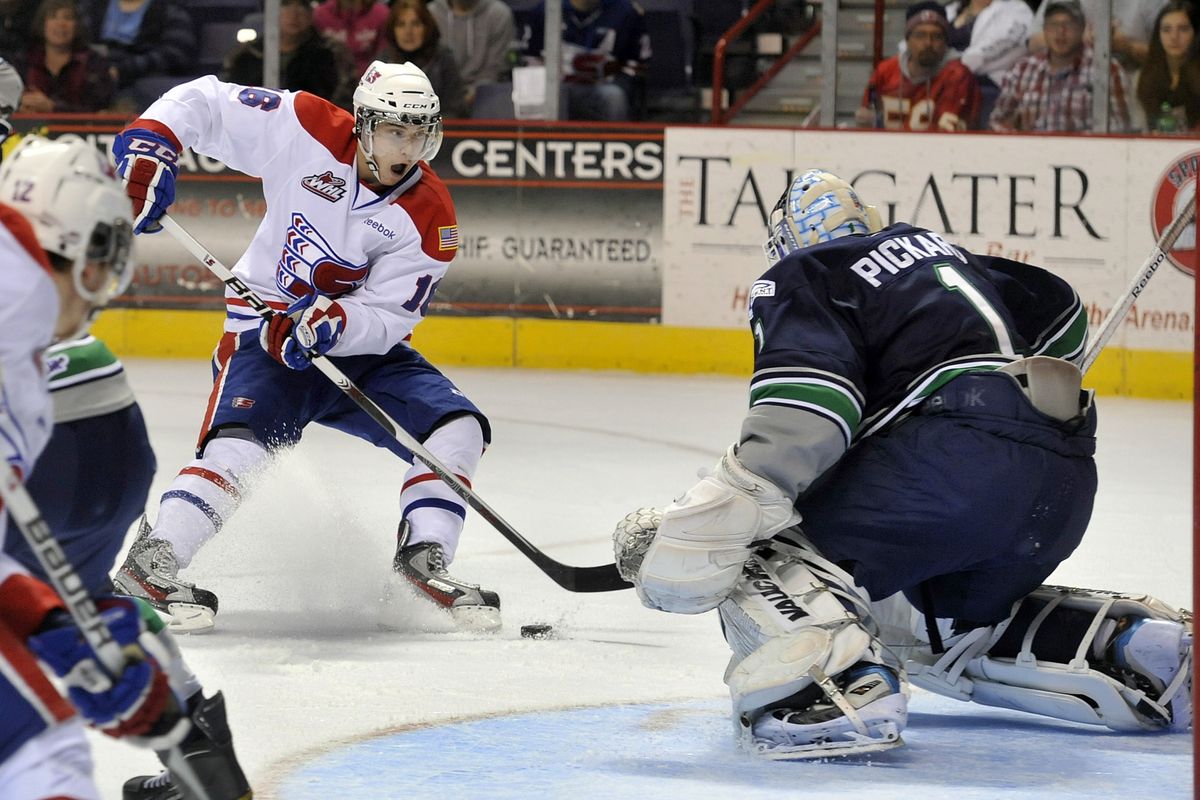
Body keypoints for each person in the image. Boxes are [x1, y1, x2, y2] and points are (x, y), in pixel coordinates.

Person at [612, 168, 1193, 758]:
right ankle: (1137, 650)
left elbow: (807, 413)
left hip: (953, 466)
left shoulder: (808, 271)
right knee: (942, 623)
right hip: (1062, 476)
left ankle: (829, 694)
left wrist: (711, 520)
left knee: (759, 548)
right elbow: (1063, 312)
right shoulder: (945, 257)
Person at [109, 62, 501, 635]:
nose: (407, 147)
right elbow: (206, 101)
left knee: (458, 428)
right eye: (395, 130)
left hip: (356, 351)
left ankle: (425, 557)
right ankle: (153, 562)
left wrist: (334, 322)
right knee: (238, 450)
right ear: (364, 125)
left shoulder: (431, 214)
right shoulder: (308, 127)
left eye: (419, 132)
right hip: (262, 338)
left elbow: (390, 316)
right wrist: (153, 145)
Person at [990, 0, 1131, 132]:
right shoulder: (1021, 70)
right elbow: (998, 122)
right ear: (1044, 30)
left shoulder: (1106, 69)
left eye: (1068, 24)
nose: (1060, 32)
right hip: (1031, 154)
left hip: (1087, 155)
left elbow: (1121, 130)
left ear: (1082, 28)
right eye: (1053, 24)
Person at [856, 1, 980, 131]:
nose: (928, 43)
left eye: (937, 36)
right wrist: (866, 121)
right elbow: (868, 116)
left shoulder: (957, 75)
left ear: (945, 42)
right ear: (907, 40)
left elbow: (948, 134)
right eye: (920, 35)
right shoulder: (886, 71)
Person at [522, 0, 651, 121]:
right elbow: (530, 60)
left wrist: (616, 76)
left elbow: (636, 67)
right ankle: (535, 139)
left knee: (614, 97)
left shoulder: (625, 12)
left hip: (602, 87)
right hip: (555, 88)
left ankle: (618, 140)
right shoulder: (545, 10)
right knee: (532, 94)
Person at [222, 0, 355, 109]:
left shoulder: (333, 53)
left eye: (303, 5)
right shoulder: (245, 54)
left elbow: (343, 103)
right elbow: (227, 100)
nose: (294, 13)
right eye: (285, 4)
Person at [944, 0, 1034, 127]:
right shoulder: (950, 10)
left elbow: (992, 51)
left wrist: (952, 67)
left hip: (987, 85)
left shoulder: (1017, 10)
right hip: (943, 82)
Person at [79, 0, 196, 97]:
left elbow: (175, 54)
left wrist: (124, 70)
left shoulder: (170, 11)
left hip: (144, 81)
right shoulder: (91, 7)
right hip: (94, 77)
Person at [18, 0, 116, 114]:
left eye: (68, 18)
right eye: (53, 17)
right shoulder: (24, 61)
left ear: (77, 26)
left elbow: (97, 112)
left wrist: (53, 108)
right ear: (42, 24)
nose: (61, 23)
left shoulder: (94, 63)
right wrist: (21, 105)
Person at [1028, 0, 1168, 78]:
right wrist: (1076, 36)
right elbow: (1033, 42)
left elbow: (1171, 55)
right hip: (1071, 81)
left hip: (1134, 82)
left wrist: (1127, 46)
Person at [378, 0, 468, 118]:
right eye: (401, 24)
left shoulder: (444, 60)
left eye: (415, 24)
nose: (408, 32)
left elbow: (453, 110)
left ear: (427, 27)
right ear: (392, 30)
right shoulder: (382, 64)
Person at [428, 0, 515, 111]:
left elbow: (495, 68)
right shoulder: (432, 13)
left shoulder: (498, 14)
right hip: (441, 96)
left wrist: (474, 94)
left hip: (485, 95)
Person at [1133, 0, 1200, 133]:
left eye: (1183, 29)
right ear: (1158, 35)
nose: (1174, 37)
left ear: (1196, 34)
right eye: (1166, 30)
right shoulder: (1143, 78)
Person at [312, 0, 390, 76]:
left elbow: (383, 54)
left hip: (369, 76)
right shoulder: (320, 14)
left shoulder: (381, 14)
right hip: (329, 76)